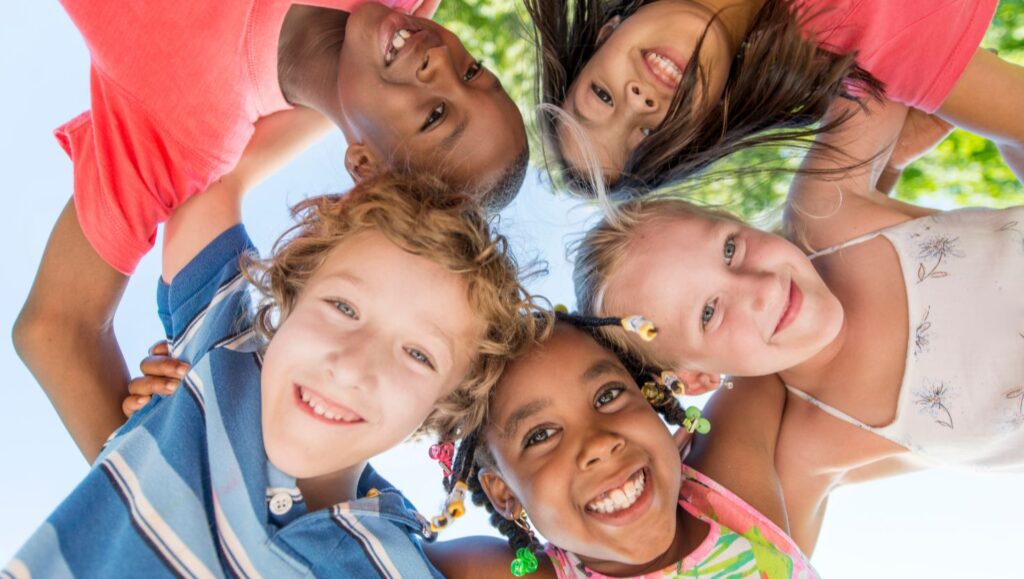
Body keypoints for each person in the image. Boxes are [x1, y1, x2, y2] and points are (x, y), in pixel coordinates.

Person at [4, 111, 541, 575]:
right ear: (291, 295)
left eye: (419, 354)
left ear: (445, 407)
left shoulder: (410, 565)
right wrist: (346, 87)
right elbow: (216, 171)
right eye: (343, 307)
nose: (351, 366)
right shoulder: (223, 349)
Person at [13, 1, 529, 459]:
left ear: (367, 169)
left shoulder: (180, 134)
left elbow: (54, 329)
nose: (438, 60)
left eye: (435, 115)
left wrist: (158, 480)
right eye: (473, 71)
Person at [572, 95, 1024, 552]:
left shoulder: (828, 214)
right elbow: (777, 560)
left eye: (731, 249)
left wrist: (920, 132)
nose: (762, 288)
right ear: (696, 378)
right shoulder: (816, 444)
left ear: (738, 221)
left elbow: (886, 60)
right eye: (709, 313)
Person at [417, 313, 817, 578]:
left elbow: (779, 342)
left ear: (651, 396)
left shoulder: (728, 490)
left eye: (608, 396)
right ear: (504, 494)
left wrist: (687, 352)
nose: (598, 443)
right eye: (540, 435)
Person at [524, 0, 1023, 198]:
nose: (638, 101)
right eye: (648, 135)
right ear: (706, 123)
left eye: (602, 96)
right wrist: (887, 163)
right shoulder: (862, 39)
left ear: (607, 33)